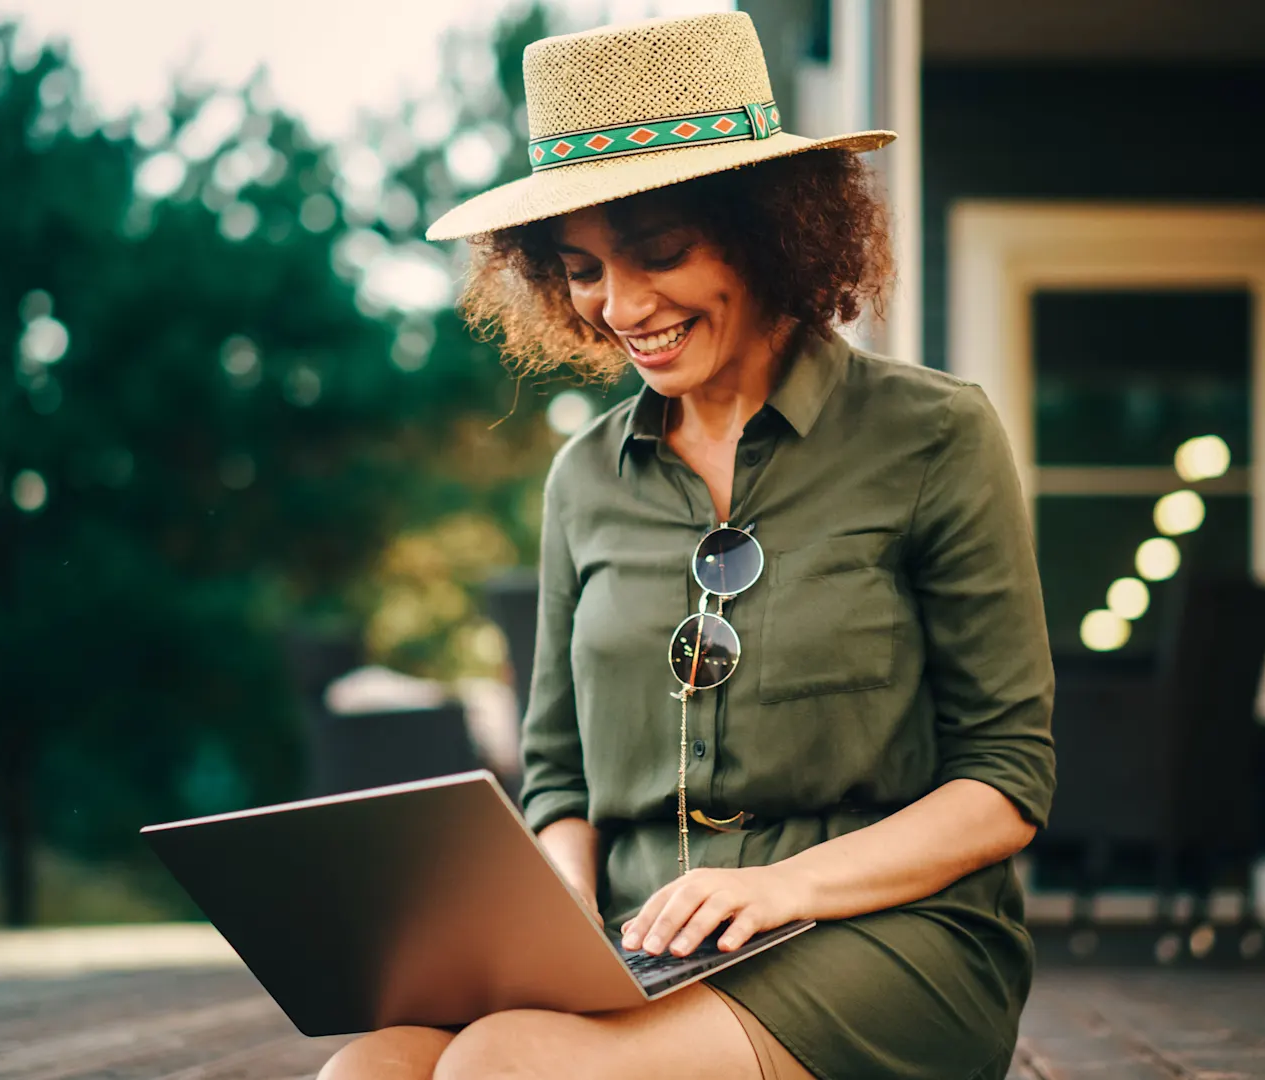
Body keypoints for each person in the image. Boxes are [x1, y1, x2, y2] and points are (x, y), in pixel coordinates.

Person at [321, 12, 1055, 1080]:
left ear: (771, 231)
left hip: (884, 939)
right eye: (580, 268)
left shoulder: (935, 436)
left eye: (660, 252)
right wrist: (559, 901)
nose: (621, 306)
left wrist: (778, 889)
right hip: (638, 943)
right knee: (368, 1072)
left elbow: (1006, 779)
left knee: (502, 1068)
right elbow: (559, 780)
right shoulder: (582, 481)